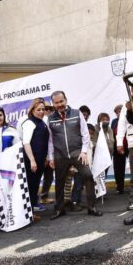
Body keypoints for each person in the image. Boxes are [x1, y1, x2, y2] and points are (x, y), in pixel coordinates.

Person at [47, 91, 102, 219]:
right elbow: (50, 140)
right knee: (59, 182)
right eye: (56, 103)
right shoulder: (50, 118)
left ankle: (91, 207)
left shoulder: (77, 113)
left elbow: (85, 134)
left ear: (65, 100)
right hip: (60, 155)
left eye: (61, 101)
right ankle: (60, 209)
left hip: (77, 152)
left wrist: (83, 151)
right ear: (53, 104)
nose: (59, 104)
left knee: (88, 176)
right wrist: (50, 157)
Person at [20, 99, 50, 214]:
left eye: (43, 109)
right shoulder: (29, 123)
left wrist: (46, 157)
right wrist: (32, 160)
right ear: (32, 110)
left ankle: (33, 205)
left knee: (35, 183)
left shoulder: (42, 123)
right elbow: (26, 143)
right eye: (38, 109)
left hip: (41, 159)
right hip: (31, 160)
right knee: (30, 184)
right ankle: (29, 209)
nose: (41, 112)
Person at [39, 101, 55, 204]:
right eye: (46, 109)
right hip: (40, 155)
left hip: (51, 155)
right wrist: (45, 156)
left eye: (50, 109)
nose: (48, 111)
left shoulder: (53, 120)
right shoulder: (38, 122)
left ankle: (44, 197)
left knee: (49, 177)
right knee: (35, 179)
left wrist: (50, 157)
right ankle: (32, 201)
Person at [110, 104, 127, 194]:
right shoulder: (114, 122)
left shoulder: (127, 119)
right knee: (118, 168)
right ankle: (119, 187)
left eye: (120, 111)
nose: (118, 113)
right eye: (117, 112)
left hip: (128, 146)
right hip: (118, 147)